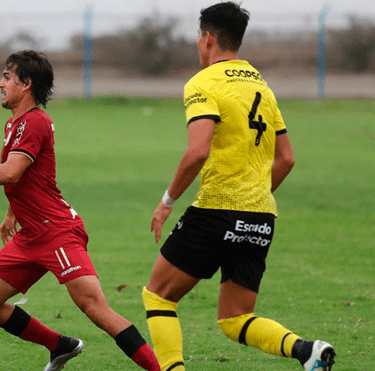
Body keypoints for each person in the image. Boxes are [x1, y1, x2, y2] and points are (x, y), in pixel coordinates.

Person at [0, 50, 161, 371]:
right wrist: (13, 212)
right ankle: (60, 346)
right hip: (30, 235)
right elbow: (25, 177)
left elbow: (11, 172)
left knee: (96, 309)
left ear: (26, 84)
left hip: (57, 232)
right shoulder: (14, 123)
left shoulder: (36, 122)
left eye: (7, 77)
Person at [141, 3, 336, 371]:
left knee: (158, 297)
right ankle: (306, 351)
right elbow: (287, 158)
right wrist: (256, 195)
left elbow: (197, 151)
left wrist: (167, 201)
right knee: (235, 319)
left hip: (215, 210)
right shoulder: (260, 84)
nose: (197, 45)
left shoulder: (203, 83)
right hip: (260, 216)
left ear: (208, 38)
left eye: (198, 38)